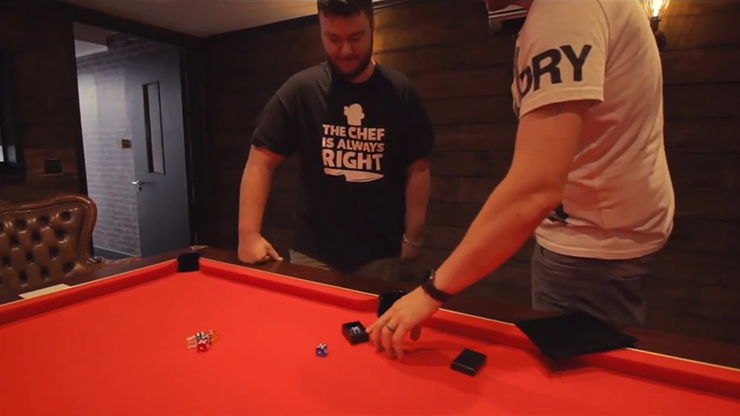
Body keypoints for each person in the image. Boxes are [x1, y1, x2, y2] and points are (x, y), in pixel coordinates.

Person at [367, 0, 675, 358]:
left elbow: (536, 188)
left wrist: (430, 292)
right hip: (601, 237)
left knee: (583, 384)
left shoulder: (563, 12)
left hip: (592, 250)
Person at [237, 0, 435, 282]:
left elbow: (418, 168)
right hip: (313, 254)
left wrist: (413, 236)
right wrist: (248, 234)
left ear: (372, 27)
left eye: (355, 38)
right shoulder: (301, 89)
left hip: (382, 254)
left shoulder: (400, 91)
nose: (345, 50)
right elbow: (261, 159)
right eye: (333, 38)